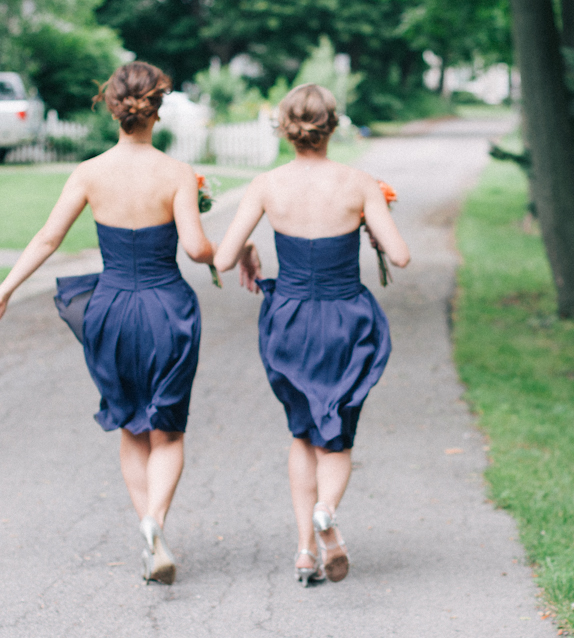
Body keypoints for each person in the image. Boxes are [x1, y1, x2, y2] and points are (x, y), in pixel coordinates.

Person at [0, 62, 215, 585]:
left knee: (131, 423)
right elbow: (196, 249)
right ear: (157, 109)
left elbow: (47, 239)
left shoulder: (89, 172)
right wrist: (211, 237)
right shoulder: (176, 174)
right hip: (165, 308)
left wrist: (2, 292)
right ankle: (155, 522)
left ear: (113, 109)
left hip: (109, 310)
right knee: (167, 433)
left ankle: (151, 534)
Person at [213, 84, 410, 586]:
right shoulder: (359, 183)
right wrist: (373, 225)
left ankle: (305, 551)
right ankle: (326, 511)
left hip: (290, 320)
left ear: (285, 128)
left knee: (302, 432)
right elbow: (400, 255)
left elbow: (219, 257)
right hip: (346, 320)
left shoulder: (265, 185)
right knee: (336, 435)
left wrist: (250, 248)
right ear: (333, 126)